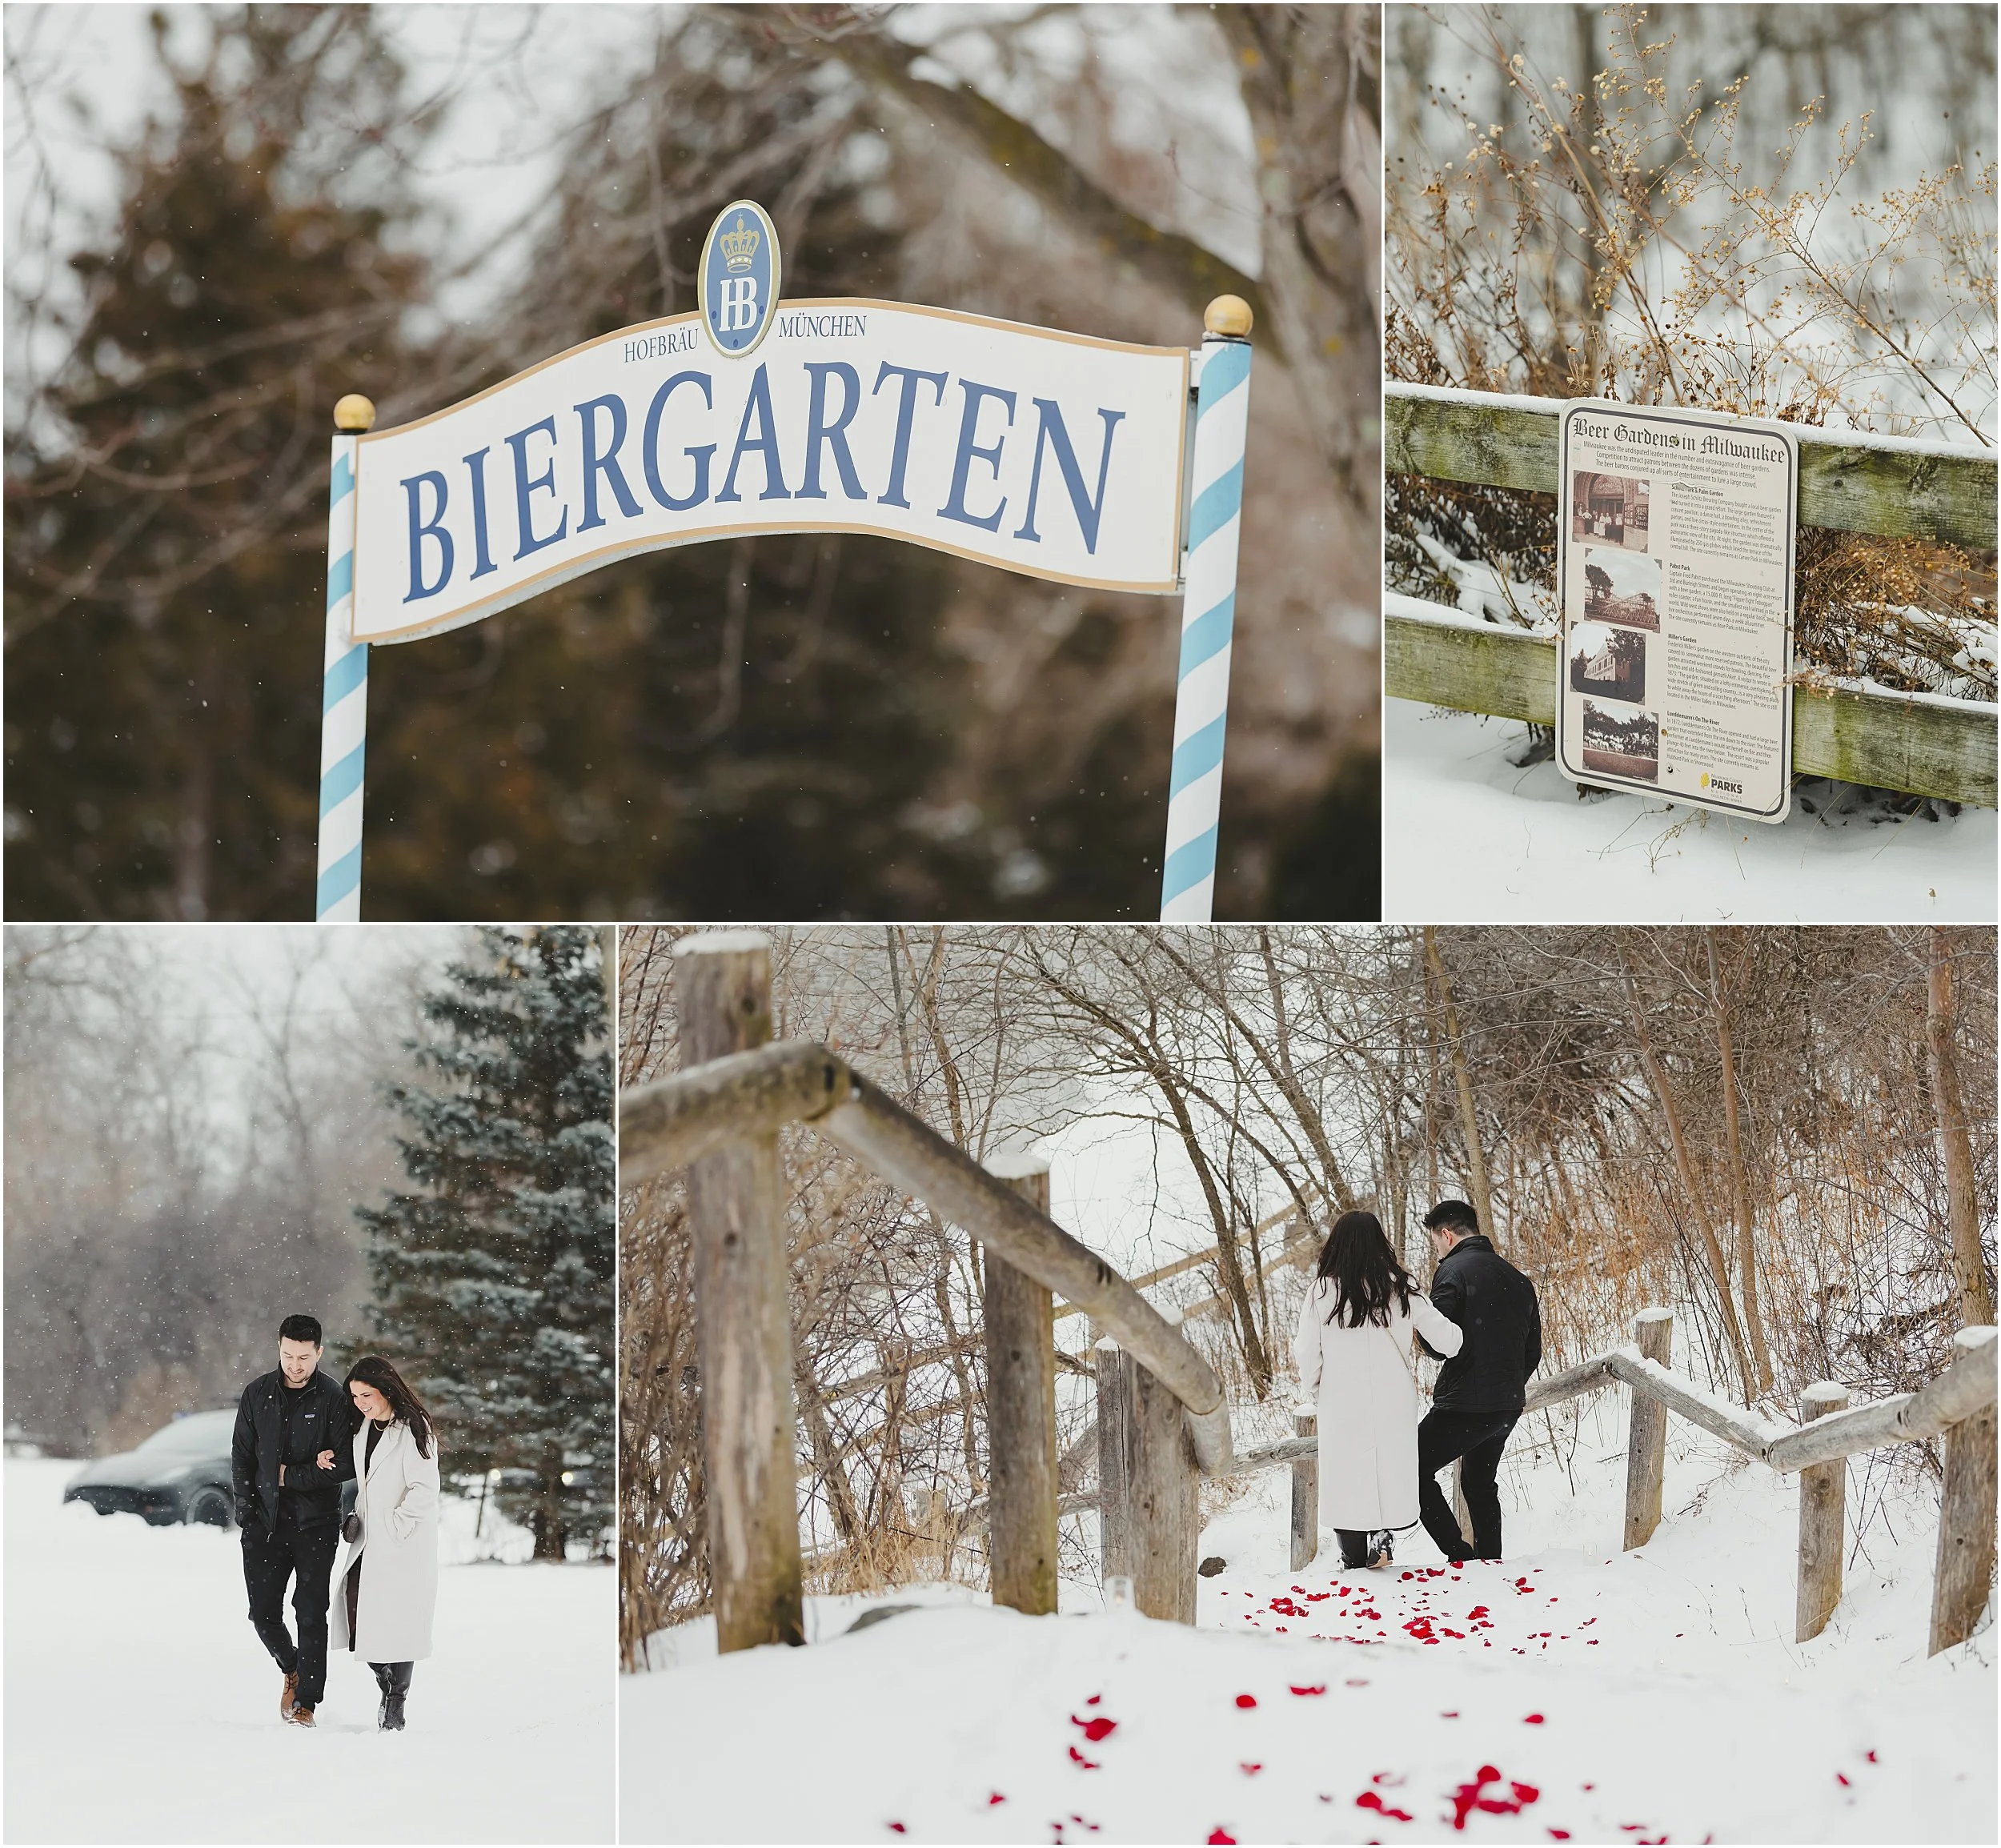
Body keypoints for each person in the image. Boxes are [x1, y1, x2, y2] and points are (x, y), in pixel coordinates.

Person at [1291, 1209, 1464, 1572]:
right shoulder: (1401, 1287)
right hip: (1393, 1397)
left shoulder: (1321, 1291)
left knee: (1347, 1477)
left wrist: (1318, 1389)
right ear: (1379, 1243)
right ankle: (1383, 1534)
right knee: (1389, 1469)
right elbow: (1448, 1341)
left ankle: (1353, 1554)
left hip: (1341, 1399)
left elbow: (1306, 1352)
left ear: (1337, 1244)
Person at [231, 1314, 360, 1726]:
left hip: (316, 1525)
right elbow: (242, 1458)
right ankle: (292, 1668)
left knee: (310, 1611)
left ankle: (307, 1702)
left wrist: (291, 1476)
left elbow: (344, 1464)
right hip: (264, 1523)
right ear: (279, 1348)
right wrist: (246, 1513)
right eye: (288, 1355)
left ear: (319, 1352)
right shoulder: (257, 1394)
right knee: (262, 1614)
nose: (295, 1364)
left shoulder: (333, 1398)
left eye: (304, 1357)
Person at [1414, 1200, 1543, 1564]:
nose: (1438, 1251)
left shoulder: (1452, 1271)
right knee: (1478, 1482)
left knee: (1409, 1467)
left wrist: (1419, 1332)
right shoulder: (1517, 1278)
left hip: (1463, 1405)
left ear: (1446, 1235)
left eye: (1436, 1242)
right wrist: (1506, 1387)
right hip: (1506, 1405)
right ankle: (1491, 1561)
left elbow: (1438, 1343)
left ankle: (1460, 1555)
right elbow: (1532, 1350)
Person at [331, 1357, 441, 1731]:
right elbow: (365, 1479)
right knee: (357, 1613)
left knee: (400, 1622)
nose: (360, 1403)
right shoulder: (363, 1426)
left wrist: (397, 1525)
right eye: (355, 1396)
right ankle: (386, 1682)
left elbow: (425, 1489)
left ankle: (396, 1702)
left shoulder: (413, 1428)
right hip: (369, 1537)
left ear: (386, 1390)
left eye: (367, 1395)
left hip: (402, 1543)